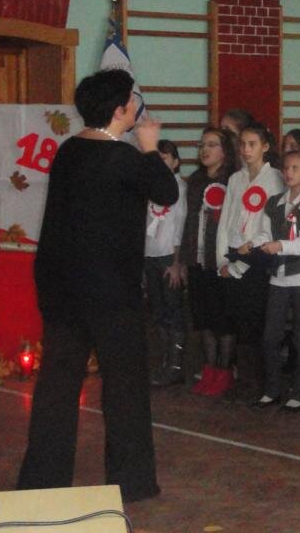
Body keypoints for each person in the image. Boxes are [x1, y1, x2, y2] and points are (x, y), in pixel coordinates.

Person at [18, 69, 178, 502]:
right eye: (132, 99)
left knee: (57, 386)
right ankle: (132, 481)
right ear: (120, 109)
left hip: (62, 288)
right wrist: (150, 148)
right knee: (125, 387)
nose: (136, 105)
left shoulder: (68, 150)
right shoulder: (124, 158)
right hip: (111, 293)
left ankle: (42, 480)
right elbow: (166, 192)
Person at [252, 151, 300, 412]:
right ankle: (272, 389)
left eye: (295, 168)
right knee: (271, 336)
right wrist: (256, 243)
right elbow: (264, 232)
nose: (289, 172)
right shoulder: (274, 202)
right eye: (286, 168)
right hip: (278, 277)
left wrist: (279, 245)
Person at [216, 123, 284, 397]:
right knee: (237, 321)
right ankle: (243, 379)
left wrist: (245, 258)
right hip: (233, 256)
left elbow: (270, 225)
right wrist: (222, 260)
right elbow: (226, 221)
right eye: (242, 144)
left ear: (265, 147)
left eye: (252, 144)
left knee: (255, 321)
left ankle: (259, 382)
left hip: (257, 257)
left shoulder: (275, 179)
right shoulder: (236, 179)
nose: (246, 149)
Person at [181, 128, 238, 395]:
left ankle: (225, 371)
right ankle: (208, 369)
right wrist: (184, 259)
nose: (205, 150)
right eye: (202, 144)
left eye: (212, 145)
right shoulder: (194, 181)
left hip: (222, 261)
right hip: (197, 259)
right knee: (202, 318)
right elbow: (188, 222)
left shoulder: (234, 180)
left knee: (223, 319)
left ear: (225, 150)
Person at [145, 140, 188, 387]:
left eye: (165, 158)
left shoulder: (179, 187)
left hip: (168, 256)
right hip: (149, 255)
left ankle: (176, 365)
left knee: (173, 311)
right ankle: (166, 361)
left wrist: (176, 262)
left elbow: (180, 225)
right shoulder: (150, 187)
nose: (161, 162)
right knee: (158, 312)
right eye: (157, 157)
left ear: (176, 162)